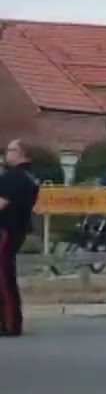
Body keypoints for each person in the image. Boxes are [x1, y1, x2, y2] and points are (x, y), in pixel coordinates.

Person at [0, 140, 40, 337]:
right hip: (19, 230)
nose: (8, 153)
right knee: (7, 274)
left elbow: (2, 203)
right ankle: (10, 320)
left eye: (12, 150)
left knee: (4, 277)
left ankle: (10, 323)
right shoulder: (30, 177)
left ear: (23, 154)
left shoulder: (13, 177)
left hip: (6, 230)